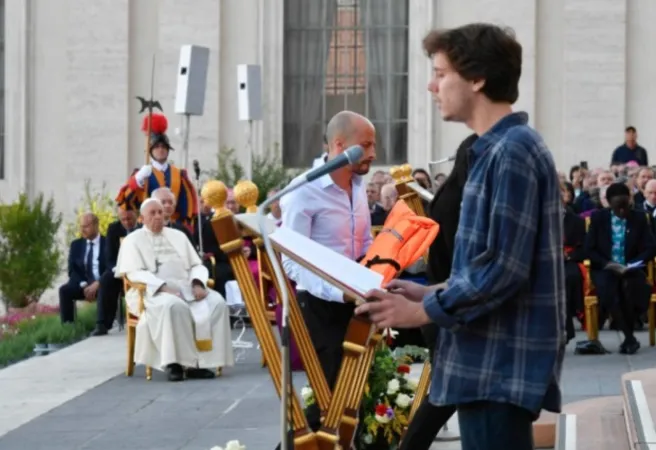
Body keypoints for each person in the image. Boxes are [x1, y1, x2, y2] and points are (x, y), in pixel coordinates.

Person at [356, 23, 566, 450]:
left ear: (476, 78)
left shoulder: (513, 151)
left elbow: (503, 268)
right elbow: (487, 263)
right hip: (485, 362)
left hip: (497, 365)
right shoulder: (495, 149)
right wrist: (426, 291)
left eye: (440, 73)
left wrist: (421, 312)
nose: (432, 86)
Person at [280, 110, 376, 432]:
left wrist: (379, 273)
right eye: (366, 145)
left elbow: (364, 242)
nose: (373, 153)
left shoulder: (359, 184)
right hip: (320, 307)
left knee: (354, 398)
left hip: (359, 303)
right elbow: (292, 261)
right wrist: (339, 290)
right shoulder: (302, 190)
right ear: (339, 145)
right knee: (330, 400)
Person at [400, 133, 477, 450]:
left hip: (442, 301)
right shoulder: (460, 203)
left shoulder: (450, 194)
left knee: (449, 395)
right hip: (448, 305)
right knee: (445, 396)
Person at [115, 198, 234, 382]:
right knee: (173, 306)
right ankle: (175, 364)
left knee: (217, 303)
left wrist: (197, 283)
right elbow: (133, 272)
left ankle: (203, 362)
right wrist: (161, 286)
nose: (158, 216)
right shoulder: (133, 240)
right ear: (142, 219)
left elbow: (196, 264)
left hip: (185, 286)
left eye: (160, 212)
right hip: (151, 291)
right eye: (152, 213)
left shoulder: (178, 236)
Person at [585, 182, 656, 353]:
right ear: (609, 203)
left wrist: (635, 262)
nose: (623, 211)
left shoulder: (639, 218)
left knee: (632, 287)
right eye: (618, 207)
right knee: (610, 289)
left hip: (631, 267)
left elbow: (650, 247)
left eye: (625, 206)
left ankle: (629, 338)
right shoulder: (599, 218)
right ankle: (629, 337)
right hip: (605, 268)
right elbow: (588, 248)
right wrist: (607, 263)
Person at [115, 113, 198, 229]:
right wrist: (137, 180)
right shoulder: (141, 174)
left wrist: (183, 225)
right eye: (157, 147)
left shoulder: (179, 174)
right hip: (147, 224)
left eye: (164, 147)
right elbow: (127, 202)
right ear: (150, 150)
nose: (161, 150)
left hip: (172, 226)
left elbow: (187, 205)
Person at [90, 208, 138, 336]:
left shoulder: (143, 227)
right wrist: (119, 270)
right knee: (106, 279)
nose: (127, 222)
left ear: (136, 215)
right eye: (123, 219)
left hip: (140, 268)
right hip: (119, 269)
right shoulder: (113, 229)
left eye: (130, 219)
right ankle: (102, 324)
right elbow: (109, 257)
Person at [59, 213, 107, 324]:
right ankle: (68, 327)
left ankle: (102, 325)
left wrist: (98, 283)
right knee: (64, 290)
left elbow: (110, 267)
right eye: (81, 226)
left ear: (96, 225)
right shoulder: (76, 245)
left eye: (86, 226)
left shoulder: (107, 243)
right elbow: (72, 270)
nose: (82, 230)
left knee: (107, 288)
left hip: (102, 284)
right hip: (83, 285)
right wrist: (84, 284)